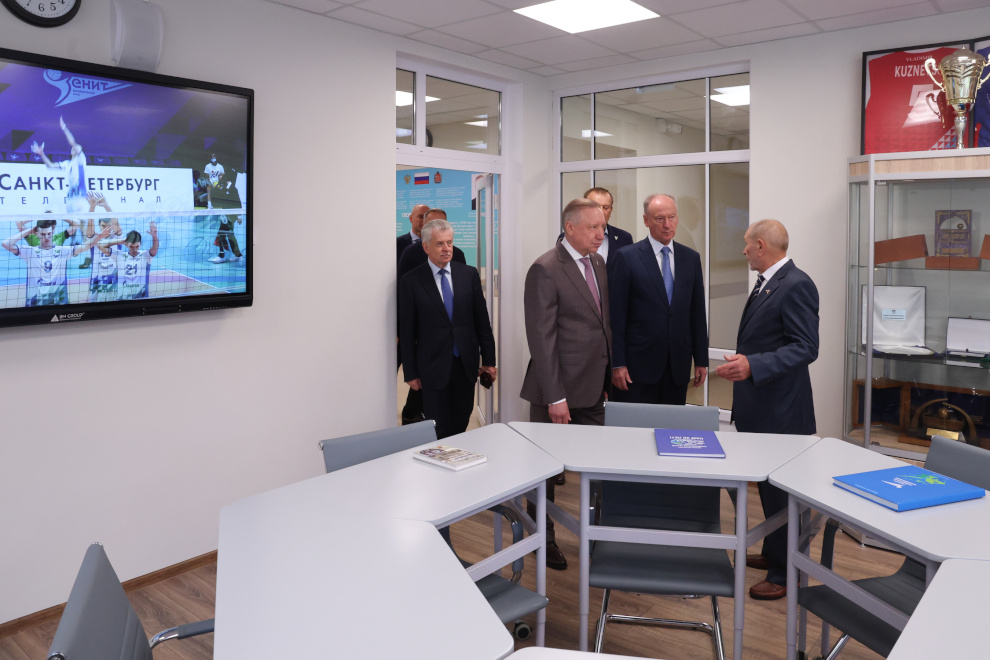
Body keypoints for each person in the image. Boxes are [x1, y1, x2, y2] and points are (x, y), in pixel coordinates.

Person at [715, 218, 819, 601]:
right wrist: (748, 362)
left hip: (782, 412)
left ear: (761, 246)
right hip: (761, 408)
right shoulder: (767, 283)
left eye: (747, 244)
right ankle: (775, 552)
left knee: (782, 495)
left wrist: (753, 366)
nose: (743, 250)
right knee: (769, 490)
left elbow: (806, 347)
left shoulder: (796, 284)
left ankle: (785, 573)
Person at [520, 197, 612, 570]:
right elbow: (541, 339)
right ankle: (541, 539)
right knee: (544, 473)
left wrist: (605, 375)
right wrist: (555, 396)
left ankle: (599, 535)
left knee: (601, 467)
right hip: (556, 392)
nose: (601, 234)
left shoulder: (598, 263)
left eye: (603, 227)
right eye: (593, 227)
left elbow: (600, 324)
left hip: (592, 386)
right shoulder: (545, 269)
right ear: (570, 227)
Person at [399, 218, 496, 439]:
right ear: (426, 247)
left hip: (465, 365)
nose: (446, 249)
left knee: (461, 422)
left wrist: (489, 361)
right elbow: (407, 332)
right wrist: (410, 373)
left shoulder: (468, 275)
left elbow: (482, 322)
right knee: (439, 427)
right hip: (432, 367)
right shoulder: (411, 281)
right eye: (440, 244)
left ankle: (458, 456)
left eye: (449, 243)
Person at [609, 193, 708, 405]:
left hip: (677, 367)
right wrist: (618, 363)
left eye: (672, 217)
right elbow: (616, 316)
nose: (667, 224)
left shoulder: (691, 258)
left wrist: (701, 360)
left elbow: (697, 314)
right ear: (646, 220)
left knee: (671, 424)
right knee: (636, 425)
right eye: (660, 218)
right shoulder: (627, 257)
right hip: (636, 368)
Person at [2, 219, 112, 306]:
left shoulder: (62, 251)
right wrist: (30, 230)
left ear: (52, 232)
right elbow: (5, 244)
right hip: (35, 302)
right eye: (43, 234)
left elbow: (85, 246)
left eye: (49, 234)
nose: (47, 237)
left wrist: (100, 236)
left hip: (58, 302)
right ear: (37, 234)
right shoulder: (30, 252)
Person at [557, 187, 632, 277]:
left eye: (606, 207)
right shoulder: (568, 237)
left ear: (611, 210)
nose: (601, 211)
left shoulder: (624, 238)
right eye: (595, 207)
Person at [31, 116, 89, 214]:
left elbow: (72, 142)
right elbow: (50, 165)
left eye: (77, 147)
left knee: (82, 221)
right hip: (70, 198)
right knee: (72, 222)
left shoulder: (81, 159)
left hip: (80, 198)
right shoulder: (67, 164)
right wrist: (42, 154)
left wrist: (64, 127)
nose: (75, 148)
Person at [397, 208, 467, 278]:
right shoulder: (410, 252)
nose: (438, 227)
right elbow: (403, 281)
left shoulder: (458, 254)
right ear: (424, 225)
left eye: (442, 223)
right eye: (432, 224)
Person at [83, 193, 123, 302]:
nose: (106, 229)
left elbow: (116, 224)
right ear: (99, 226)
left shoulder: (117, 238)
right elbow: (90, 226)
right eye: (103, 226)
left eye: (108, 226)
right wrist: (92, 207)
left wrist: (106, 206)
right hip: (96, 282)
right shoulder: (94, 238)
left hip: (114, 281)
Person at [105, 222, 159, 300]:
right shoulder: (119, 255)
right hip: (122, 298)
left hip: (141, 297)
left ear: (141, 244)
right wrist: (121, 241)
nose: (134, 249)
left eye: (137, 246)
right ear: (126, 244)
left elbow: (155, 247)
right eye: (131, 246)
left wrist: (154, 236)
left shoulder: (146, 255)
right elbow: (100, 245)